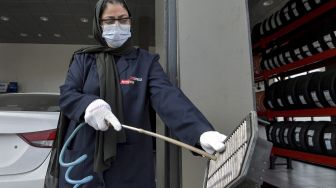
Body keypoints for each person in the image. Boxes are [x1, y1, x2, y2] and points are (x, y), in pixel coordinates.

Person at [45, 0, 227, 187]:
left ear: (130, 22)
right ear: (99, 25)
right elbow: (67, 95)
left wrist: (201, 132)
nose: (117, 25)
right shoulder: (83, 59)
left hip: (130, 164)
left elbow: (168, 98)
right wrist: (89, 105)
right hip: (84, 157)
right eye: (109, 21)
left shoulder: (145, 62)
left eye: (123, 20)